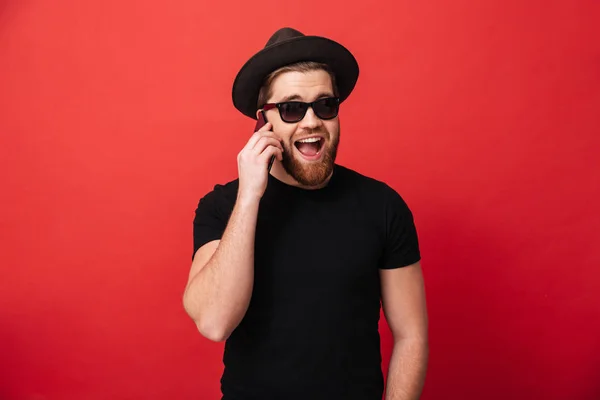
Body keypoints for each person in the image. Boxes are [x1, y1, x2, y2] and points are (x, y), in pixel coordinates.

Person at [183, 27, 429, 400]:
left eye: (325, 105)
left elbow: (411, 335)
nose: (311, 121)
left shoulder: (382, 206)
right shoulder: (221, 207)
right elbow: (214, 322)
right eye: (292, 108)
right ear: (263, 121)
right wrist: (250, 195)